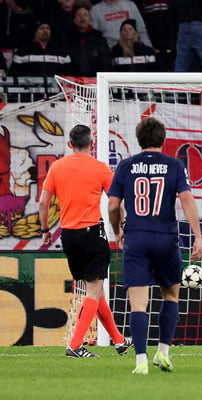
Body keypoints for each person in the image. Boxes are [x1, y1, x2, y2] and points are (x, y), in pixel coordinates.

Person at [107, 117, 202, 375]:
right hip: (165, 239)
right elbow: (186, 199)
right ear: (163, 138)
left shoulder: (126, 166)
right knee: (171, 295)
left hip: (136, 238)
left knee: (138, 304)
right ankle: (163, 352)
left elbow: (113, 206)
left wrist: (118, 231)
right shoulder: (174, 165)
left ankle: (140, 362)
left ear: (139, 140)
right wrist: (198, 235)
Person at [38, 124, 132, 358]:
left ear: (70, 144)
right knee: (94, 289)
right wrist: (121, 227)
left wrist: (45, 230)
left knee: (95, 289)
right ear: (91, 144)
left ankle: (119, 340)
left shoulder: (57, 167)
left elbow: (43, 202)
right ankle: (75, 344)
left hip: (68, 235)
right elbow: (116, 202)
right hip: (92, 233)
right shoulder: (99, 168)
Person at [67, 6, 111, 77]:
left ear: (90, 19)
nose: (82, 17)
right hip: (74, 82)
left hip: (94, 82)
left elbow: (105, 64)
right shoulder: (67, 38)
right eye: (79, 15)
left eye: (85, 15)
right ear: (74, 20)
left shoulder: (99, 39)